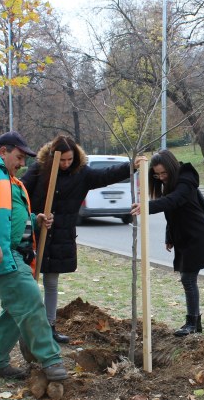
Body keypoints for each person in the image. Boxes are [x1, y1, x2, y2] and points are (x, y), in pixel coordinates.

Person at [0, 131, 67, 381]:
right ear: (3, 151)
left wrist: (34, 221)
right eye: (18, 157)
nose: (21, 163)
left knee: (15, 308)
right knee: (29, 299)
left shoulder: (12, 181)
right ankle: (51, 360)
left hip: (13, 251)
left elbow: (9, 219)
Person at [21, 135, 132, 343]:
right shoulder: (39, 169)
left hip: (61, 236)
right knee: (28, 282)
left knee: (51, 281)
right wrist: (35, 216)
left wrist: (130, 166)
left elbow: (106, 175)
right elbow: (20, 193)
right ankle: (27, 327)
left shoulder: (82, 173)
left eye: (69, 160)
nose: (65, 164)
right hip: (35, 232)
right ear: (52, 156)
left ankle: (50, 326)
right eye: (61, 160)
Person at [130, 149, 204, 336]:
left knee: (188, 279)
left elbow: (172, 201)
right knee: (188, 279)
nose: (160, 177)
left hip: (196, 236)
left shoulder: (186, 181)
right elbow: (173, 213)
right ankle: (195, 323)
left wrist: (146, 206)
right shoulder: (170, 183)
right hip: (184, 237)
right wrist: (169, 237)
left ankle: (192, 324)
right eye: (157, 174)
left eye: (163, 173)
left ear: (171, 167)